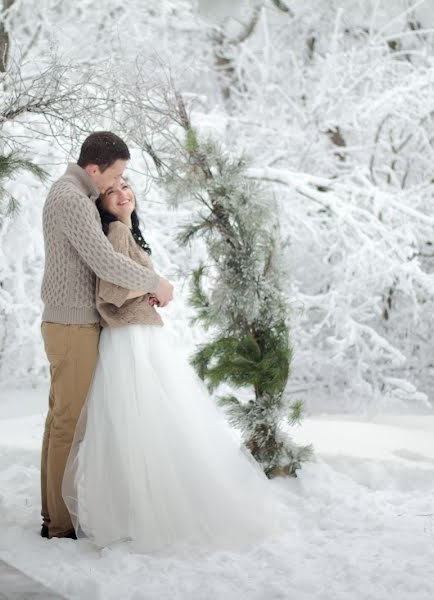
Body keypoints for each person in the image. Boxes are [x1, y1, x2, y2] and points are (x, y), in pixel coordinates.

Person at [62, 179, 279, 552]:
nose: (123, 193)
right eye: (113, 191)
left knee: (151, 421)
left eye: (127, 187)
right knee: (143, 421)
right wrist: (153, 288)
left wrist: (150, 290)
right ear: (103, 204)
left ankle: (143, 505)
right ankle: (140, 510)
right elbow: (109, 294)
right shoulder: (114, 231)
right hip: (128, 339)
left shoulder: (127, 231)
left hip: (140, 335)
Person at [39, 132, 175, 540]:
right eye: (114, 175)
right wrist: (155, 282)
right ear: (94, 169)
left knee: (59, 422)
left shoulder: (71, 195)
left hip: (69, 322)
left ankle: (54, 516)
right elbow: (106, 262)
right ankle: (60, 525)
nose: (116, 185)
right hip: (73, 325)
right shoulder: (72, 198)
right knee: (68, 426)